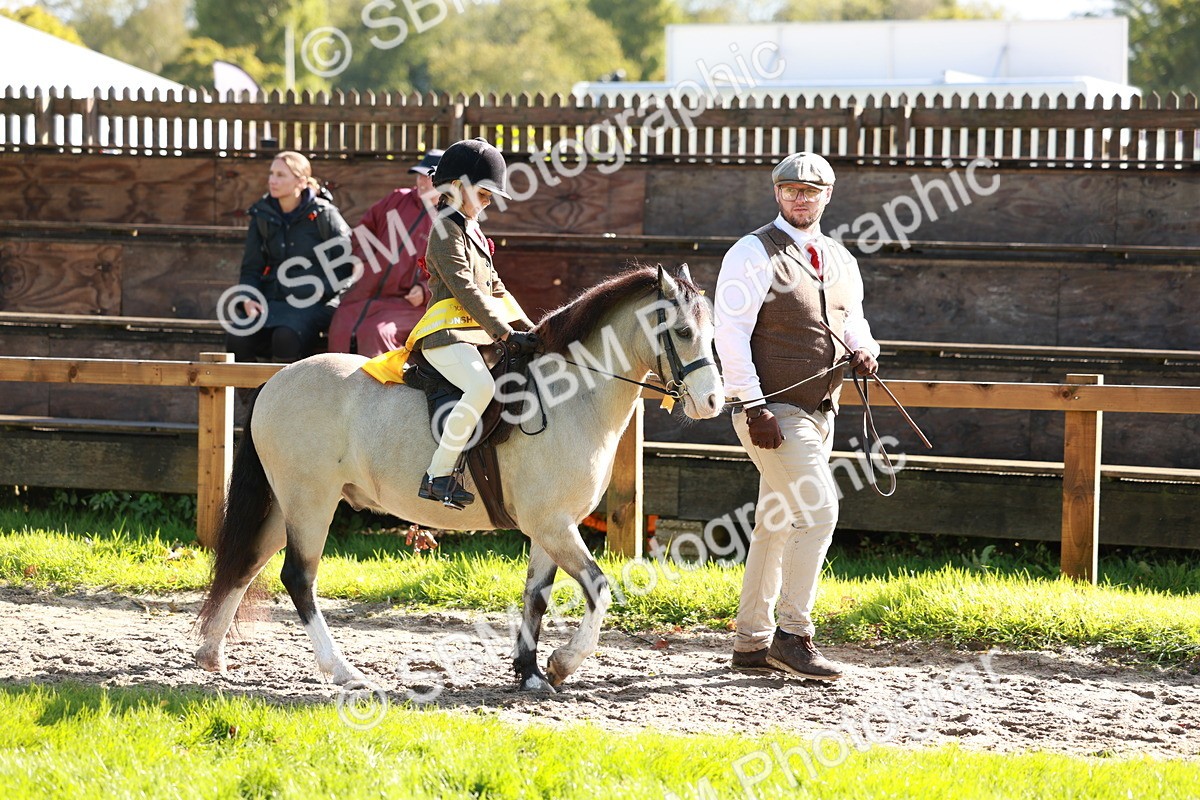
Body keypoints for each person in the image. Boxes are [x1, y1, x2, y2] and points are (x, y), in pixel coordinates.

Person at [714, 151, 880, 681]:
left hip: (820, 407)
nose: (800, 198)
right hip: (771, 410)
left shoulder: (838, 258)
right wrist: (751, 404)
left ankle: (751, 642)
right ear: (777, 194)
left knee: (775, 523)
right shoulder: (752, 251)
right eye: (790, 190)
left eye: (810, 191)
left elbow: (851, 317)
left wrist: (864, 347)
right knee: (819, 511)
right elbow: (730, 334)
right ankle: (794, 635)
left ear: (827, 195)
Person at [414, 137, 536, 508]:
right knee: (481, 386)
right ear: (457, 187)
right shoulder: (443, 231)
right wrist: (503, 331)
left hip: (474, 334)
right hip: (445, 334)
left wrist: (532, 329)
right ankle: (438, 474)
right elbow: (465, 288)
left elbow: (496, 287)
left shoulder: (472, 230)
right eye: (483, 193)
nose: (487, 202)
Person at [227, 150, 353, 363]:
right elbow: (251, 268)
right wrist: (248, 299)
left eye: (280, 175)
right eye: (271, 173)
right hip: (272, 300)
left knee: (285, 336)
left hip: (315, 302)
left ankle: (283, 397)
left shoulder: (325, 214)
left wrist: (318, 290)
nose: (272, 180)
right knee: (238, 336)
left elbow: (347, 266)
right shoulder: (262, 215)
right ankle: (252, 398)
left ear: (301, 181)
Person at [327, 149, 442, 357]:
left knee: (377, 332)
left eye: (429, 177)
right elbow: (364, 230)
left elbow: (454, 268)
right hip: (366, 292)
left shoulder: (449, 219)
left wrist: (425, 291)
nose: (422, 182)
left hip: (408, 304)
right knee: (341, 325)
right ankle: (336, 386)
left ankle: (384, 387)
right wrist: (362, 259)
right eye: (419, 176)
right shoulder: (397, 199)